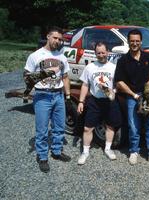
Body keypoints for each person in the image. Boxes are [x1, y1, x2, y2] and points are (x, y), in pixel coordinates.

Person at [114, 29, 149, 166]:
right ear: (128, 41)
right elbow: (119, 82)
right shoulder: (123, 61)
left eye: (137, 41)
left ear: (141, 42)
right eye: (132, 41)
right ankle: (133, 152)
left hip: (148, 97)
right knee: (133, 127)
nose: (135, 43)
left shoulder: (148, 57)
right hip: (133, 97)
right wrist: (133, 94)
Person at [24, 26, 72, 173]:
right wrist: (45, 74)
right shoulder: (35, 56)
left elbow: (65, 77)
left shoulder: (62, 57)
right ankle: (43, 156)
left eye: (60, 39)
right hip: (42, 96)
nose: (57, 41)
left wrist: (68, 96)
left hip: (58, 95)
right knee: (42, 129)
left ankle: (57, 151)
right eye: (55, 38)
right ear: (48, 37)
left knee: (59, 127)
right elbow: (26, 77)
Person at [77, 42, 122, 165]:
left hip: (109, 101)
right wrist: (81, 101)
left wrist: (114, 91)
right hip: (94, 101)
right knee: (87, 128)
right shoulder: (90, 67)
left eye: (103, 52)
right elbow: (85, 84)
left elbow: (119, 84)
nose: (101, 55)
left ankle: (108, 149)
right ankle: (85, 152)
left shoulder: (113, 67)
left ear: (107, 52)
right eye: (98, 53)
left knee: (111, 126)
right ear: (95, 53)